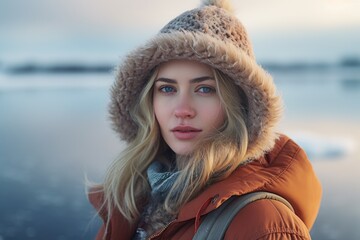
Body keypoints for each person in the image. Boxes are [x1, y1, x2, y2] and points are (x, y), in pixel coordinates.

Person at [88, 0, 322, 239]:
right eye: (167, 89)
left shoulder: (264, 224)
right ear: (149, 101)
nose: (182, 110)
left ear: (238, 104)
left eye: (205, 89)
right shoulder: (134, 196)